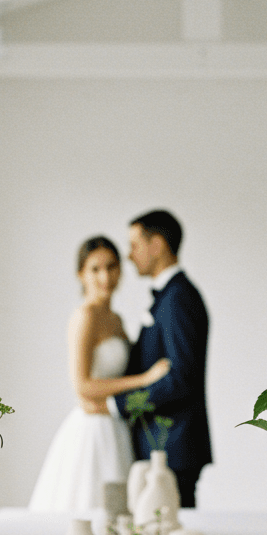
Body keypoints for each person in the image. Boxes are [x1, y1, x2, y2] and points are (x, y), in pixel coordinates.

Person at [29, 236, 170, 513]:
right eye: (95, 269)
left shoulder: (115, 319)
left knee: (120, 511)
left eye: (111, 267)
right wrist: (144, 380)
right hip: (91, 430)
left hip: (116, 426)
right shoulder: (85, 316)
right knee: (87, 508)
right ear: (81, 274)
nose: (105, 276)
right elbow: (82, 385)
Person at [115, 210, 212, 508]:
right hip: (164, 444)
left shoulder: (178, 298)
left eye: (135, 245)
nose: (129, 256)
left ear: (156, 245)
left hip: (173, 444)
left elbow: (180, 377)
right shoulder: (170, 296)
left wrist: (123, 404)